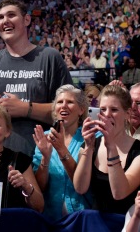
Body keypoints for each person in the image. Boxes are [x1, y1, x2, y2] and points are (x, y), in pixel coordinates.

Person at [0, 0, 73, 157]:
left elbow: (71, 111)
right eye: (0, 18)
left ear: (27, 19)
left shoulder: (49, 57)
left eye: (11, 15)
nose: (5, 21)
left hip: (41, 158)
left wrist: (25, 108)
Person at [73, 84, 140, 214]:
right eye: (103, 109)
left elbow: (120, 193)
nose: (107, 115)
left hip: (129, 223)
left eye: (114, 110)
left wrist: (111, 146)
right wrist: (88, 148)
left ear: (127, 113)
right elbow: (80, 188)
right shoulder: (90, 146)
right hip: (97, 222)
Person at [32, 84, 98, 222]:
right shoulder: (43, 138)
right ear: (55, 110)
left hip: (82, 218)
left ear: (81, 110)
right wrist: (45, 157)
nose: (64, 106)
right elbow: (40, 187)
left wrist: (61, 149)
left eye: (70, 102)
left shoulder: (91, 137)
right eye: (60, 102)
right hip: (50, 220)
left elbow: (83, 185)